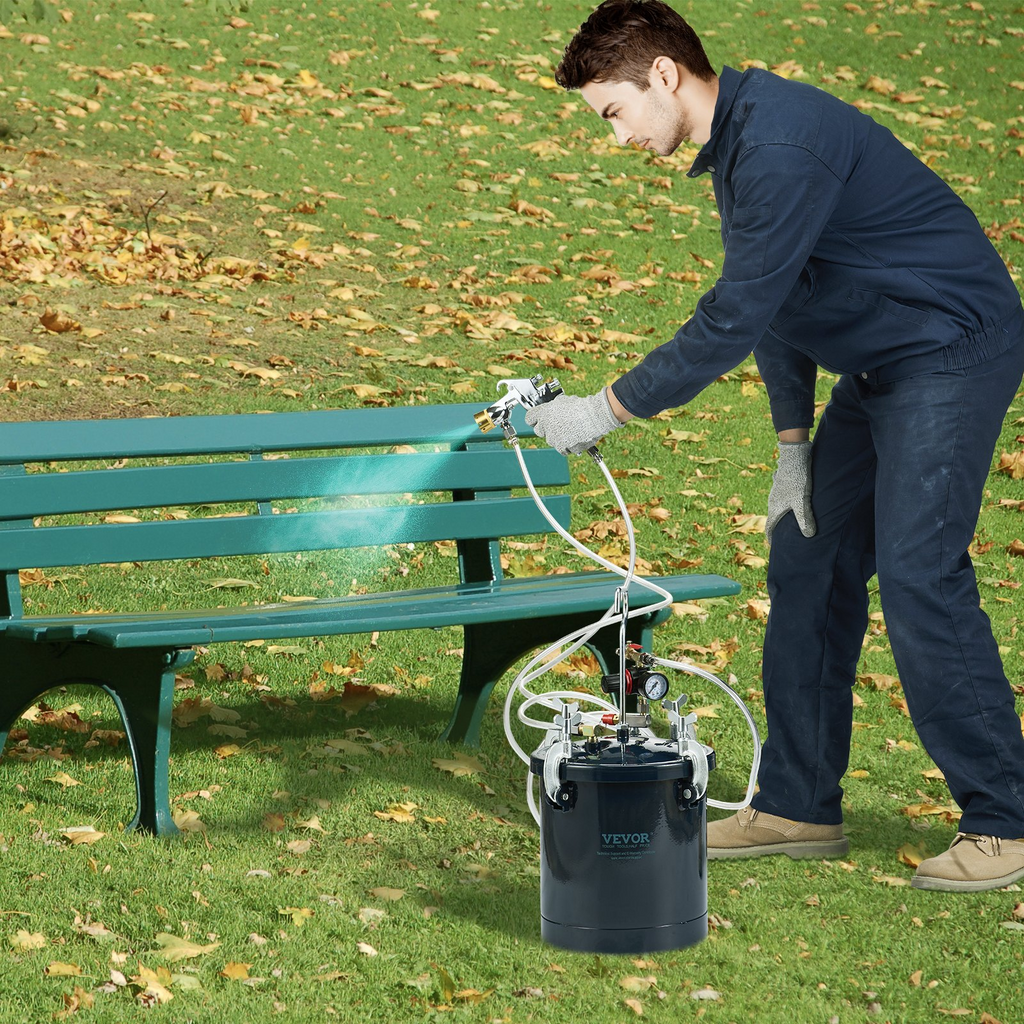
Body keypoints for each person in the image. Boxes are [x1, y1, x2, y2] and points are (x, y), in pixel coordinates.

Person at [526, 0, 1024, 892]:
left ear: (666, 77)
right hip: (882, 365)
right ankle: (798, 804)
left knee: (919, 572)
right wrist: (794, 444)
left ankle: (1008, 820)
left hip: (950, 352)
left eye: (614, 111)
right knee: (806, 557)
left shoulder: (781, 146)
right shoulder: (741, 142)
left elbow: (731, 316)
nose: (615, 138)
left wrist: (603, 410)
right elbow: (779, 302)